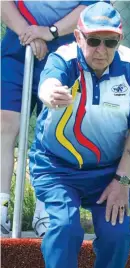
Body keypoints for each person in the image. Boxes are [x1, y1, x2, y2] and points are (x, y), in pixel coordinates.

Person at [29, 2, 130, 268]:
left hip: (108, 173)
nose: (101, 50)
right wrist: (50, 92)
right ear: (79, 36)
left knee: (117, 234)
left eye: (110, 42)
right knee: (64, 227)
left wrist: (122, 181)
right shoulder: (64, 59)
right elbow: (48, 82)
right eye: (93, 40)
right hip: (56, 167)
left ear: (120, 41)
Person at [0, 0, 106, 237]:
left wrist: (49, 32)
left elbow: (93, 7)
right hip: (19, 43)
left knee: (56, 127)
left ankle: (46, 209)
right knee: (4, 122)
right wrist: (29, 34)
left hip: (65, 48)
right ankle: (1, 208)